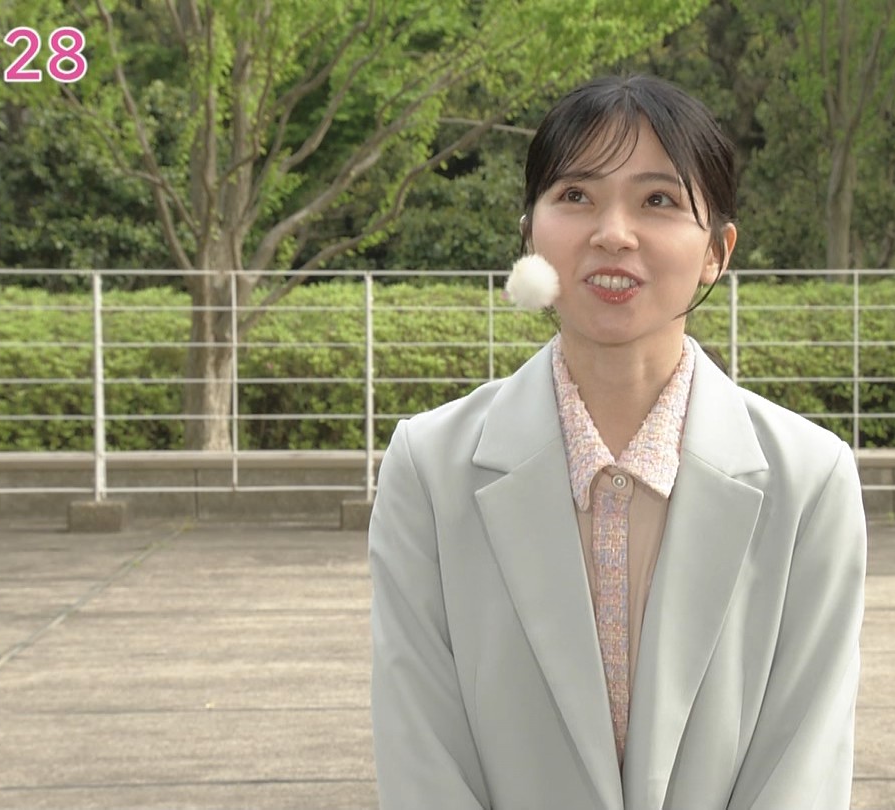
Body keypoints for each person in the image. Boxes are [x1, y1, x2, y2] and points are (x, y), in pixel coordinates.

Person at [368, 74, 867, 810]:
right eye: (576, 195)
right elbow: (421, 756)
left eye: (658, 200)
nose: (613, 232)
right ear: (530, 235)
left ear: (717, 251)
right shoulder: (429, 469)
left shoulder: (810, 480)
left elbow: (803, 764)